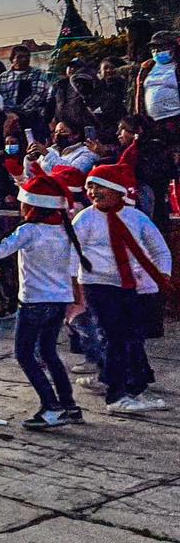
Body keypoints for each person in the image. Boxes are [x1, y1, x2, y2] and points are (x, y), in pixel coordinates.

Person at [0, 172, 85, 428]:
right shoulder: (66, 229)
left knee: (24, 355)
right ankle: (69, 405)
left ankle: (51, 407)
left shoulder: (29, 231)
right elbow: (73, 268)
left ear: (33, 205)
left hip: (34, 301)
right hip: (58, 301)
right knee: (48, 352)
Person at [72, 163, 171, 415]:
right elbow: (71, 253)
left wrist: (162, 276)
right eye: (90, 186)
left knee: (131, 335)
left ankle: (116, 380)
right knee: (114, 335)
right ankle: (116, 394)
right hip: (97, 284)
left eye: (99, 186)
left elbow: (159, 249)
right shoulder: (85, 218)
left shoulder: (136, 217)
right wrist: (71, 286)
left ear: (116, 190)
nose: (93, 192)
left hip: (130, 285)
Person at [0, 45, 52, 143]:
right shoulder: (3, 77)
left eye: (27, 57)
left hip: (32, 119)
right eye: (20, 57)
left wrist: (18, 113)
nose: (24, 59)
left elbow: (38, 95)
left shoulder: (37, 73)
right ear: (12, 59)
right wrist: (9, 113)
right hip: (9, 120)